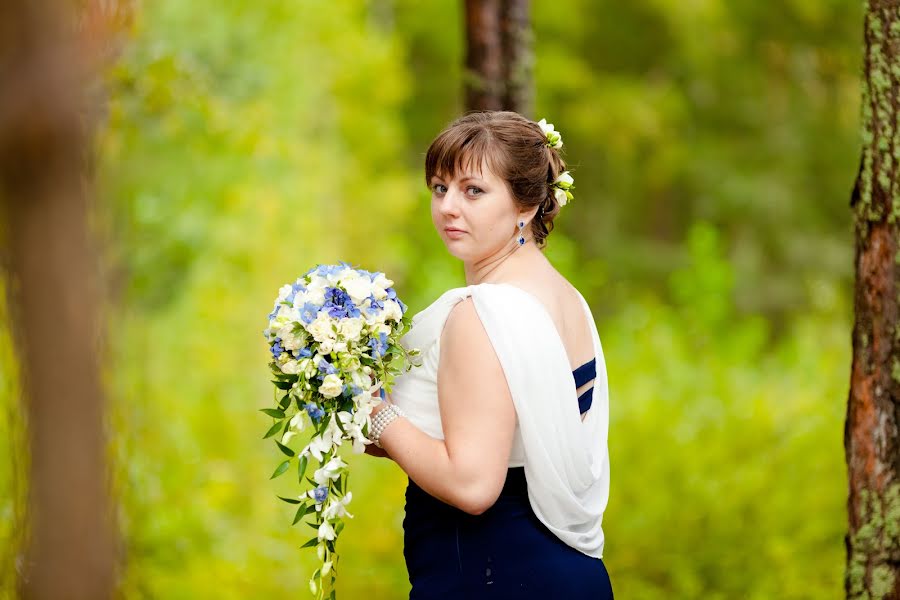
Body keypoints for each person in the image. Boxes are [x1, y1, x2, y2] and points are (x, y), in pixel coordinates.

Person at [365, 110, 613, 599]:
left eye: (473, 191)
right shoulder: (566, 298)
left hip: (493, 573)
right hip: (564, 571)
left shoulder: (482, 314)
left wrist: (374, 413)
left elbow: (473, 485)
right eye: (440, 188)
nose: (448, 208)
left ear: (526, 204)